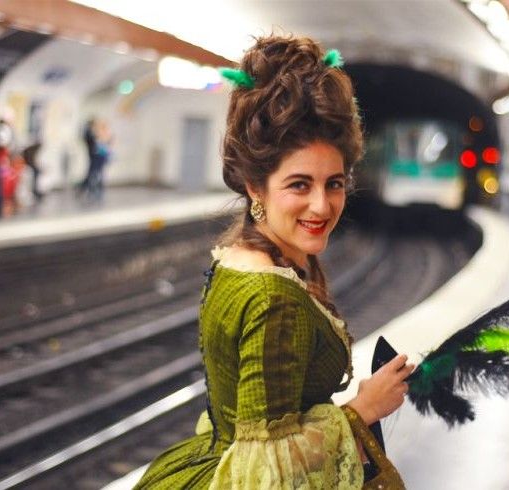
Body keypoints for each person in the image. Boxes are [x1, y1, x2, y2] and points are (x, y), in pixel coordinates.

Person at [135, 35, 410, 489]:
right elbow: (264, 470)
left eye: (334, 184)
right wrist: (364, 410)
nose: (322, 206)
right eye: (299, 185)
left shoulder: (239, 258)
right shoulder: (271, 296)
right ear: (255, 187)